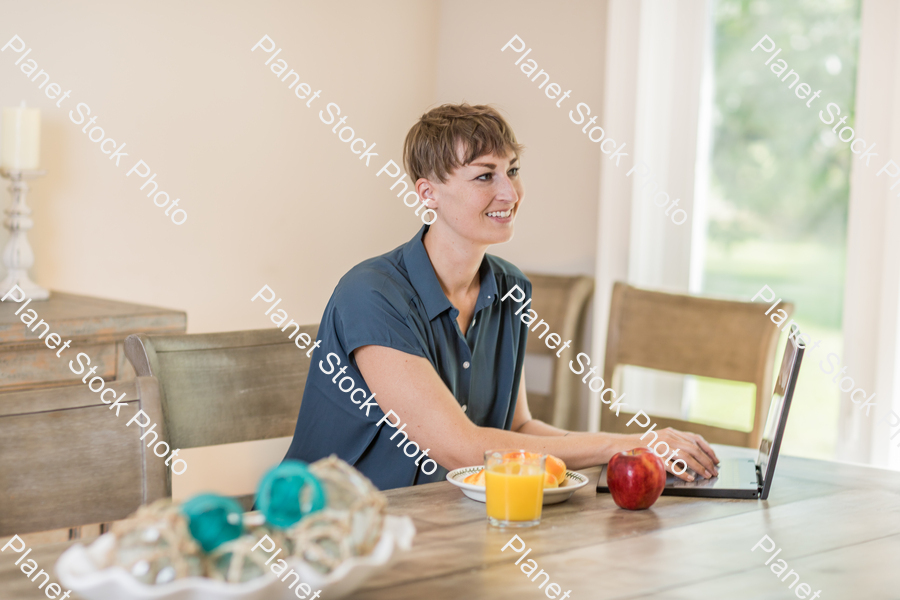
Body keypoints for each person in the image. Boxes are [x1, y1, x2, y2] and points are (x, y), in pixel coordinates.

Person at [283, 103, 719, 489]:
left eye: (511, 170)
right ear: (427, 193)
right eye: (484, 176)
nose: (510, 193)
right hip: (338, 535)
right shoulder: (371, 295)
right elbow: (461, 449)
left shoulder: (511, 288)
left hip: (449, 520)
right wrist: (627, 442)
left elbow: (519, 426)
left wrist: (634, 454)